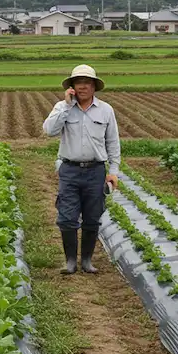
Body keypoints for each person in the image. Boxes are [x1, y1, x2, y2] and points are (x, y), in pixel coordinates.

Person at [42, 64, 121, 274]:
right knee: (67, 217)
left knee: (92, 217)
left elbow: (113, 142)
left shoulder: (106, 110)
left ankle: (86, 260)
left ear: (94, 86)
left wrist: (113, 171)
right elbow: (49, 130)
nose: (83, 87)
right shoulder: (62, 107)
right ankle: (70, 261)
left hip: (96, 171)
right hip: (70, 170)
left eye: (87, 83)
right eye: (78, 82)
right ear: (72, 87)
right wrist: (67, 106)